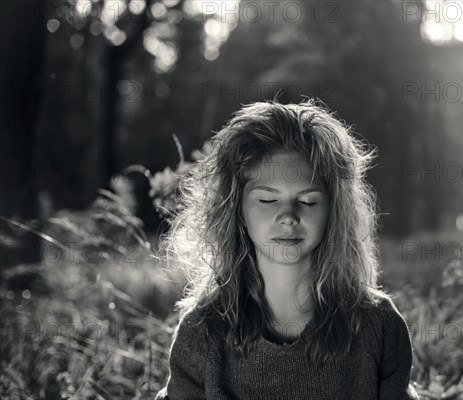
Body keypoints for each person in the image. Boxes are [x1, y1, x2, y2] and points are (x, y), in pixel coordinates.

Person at [155, 99, 419, 400]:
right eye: (268, 200)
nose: (289, 216)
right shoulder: (201, 334)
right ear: (237, 209)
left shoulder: (378, 326)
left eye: (308, 201)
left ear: (334, 211)